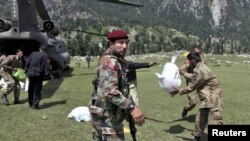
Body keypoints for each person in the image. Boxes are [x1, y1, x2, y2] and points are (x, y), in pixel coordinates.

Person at [89, 29, 145, 141]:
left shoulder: (108, 58)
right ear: (111, 44)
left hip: (102, 112)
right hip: (107, 116)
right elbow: (109, 91)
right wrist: (132, 107)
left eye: (126, 42)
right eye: (120, 42)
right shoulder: (111, 61)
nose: (124, 46)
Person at [172, 52, 223, 141]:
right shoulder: (200, 67)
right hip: (208, 95)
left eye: (188, 60)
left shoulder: (201, 70)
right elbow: (194, 77)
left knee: (215, 118)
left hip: (212, 95)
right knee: (201, 117)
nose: (187, 62)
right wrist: (185, 74)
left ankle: (198, 136)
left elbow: (193, 86)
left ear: (193, 60)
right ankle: (197, 137)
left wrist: (179, 90)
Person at [179, 46, 205, 118]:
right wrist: (188, 75)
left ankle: (204, 116)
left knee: (207, 99)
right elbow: (180, 70)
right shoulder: (189, 60)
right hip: (191, 83)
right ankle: (186, 109)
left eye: (199, 53)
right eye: (196, 52)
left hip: (201, 83)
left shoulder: (202, 60)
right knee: (193, 102)